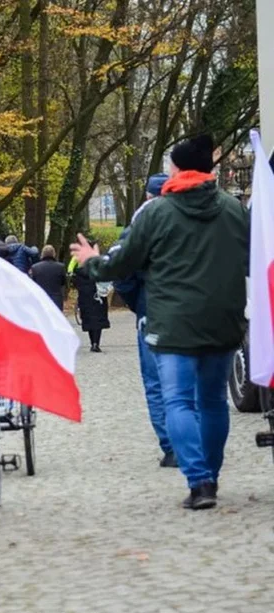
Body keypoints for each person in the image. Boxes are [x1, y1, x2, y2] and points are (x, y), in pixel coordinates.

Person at [71, 134, 249, 510]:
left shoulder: (157, 212)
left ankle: (199, 483)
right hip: (223, 320)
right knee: (214, 401)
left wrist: (90, 260)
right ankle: (211, 479)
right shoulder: (234, 209)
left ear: (178, 168)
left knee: (179, 402)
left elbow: (122, 263)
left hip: (173, 326)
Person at [109, 173, 176, 468]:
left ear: (148, 196)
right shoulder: (187, 220)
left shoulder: (140, 223)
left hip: (152, 312)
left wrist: (139, 301)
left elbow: (121, 270)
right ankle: (195, 442)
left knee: (156, 381)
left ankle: (172, 446)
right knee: (191, 382)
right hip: (192, 313)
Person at [69, 251, 110, 351]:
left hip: (85, 300)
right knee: (98, 321)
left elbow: (73, 283)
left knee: (89, 321)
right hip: (98, 299)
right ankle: (96, 343)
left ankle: (92, 342)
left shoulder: (78, 274)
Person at [29, 245, 67, 311]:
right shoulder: (61, 267)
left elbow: (32, 283)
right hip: (56, 299)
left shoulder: (35, 267)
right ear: (54, 254)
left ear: (42, 254)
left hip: (40, 299)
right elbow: (63, 282)